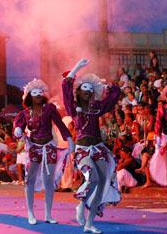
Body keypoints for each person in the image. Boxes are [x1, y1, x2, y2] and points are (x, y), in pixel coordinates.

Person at [62, 59, 121, 234]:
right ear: (79, 91)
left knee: (102, 182)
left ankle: (89, 222)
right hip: (82, 150)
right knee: (93, 178)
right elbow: (66, 86)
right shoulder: (73, 107)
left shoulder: (97, 106)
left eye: (90, 89)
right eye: (84, 88)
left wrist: (106, 85)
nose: (87, 91)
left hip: (98, 148)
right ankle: (81, 205)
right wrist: (77, 68)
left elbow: (115, 94)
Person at [13, 78, 75, 225]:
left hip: (49, 147)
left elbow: (60, 125)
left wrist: (70, 140)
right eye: (35, 92)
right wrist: (18, 128)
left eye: (40, 92)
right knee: (30, 180)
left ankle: (48, 214)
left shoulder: (50, 109)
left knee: (49, 181)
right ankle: (30, 213)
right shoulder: (24, 113)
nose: (38, 94)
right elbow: (18, 124)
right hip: (34, 148)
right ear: (29, 95)